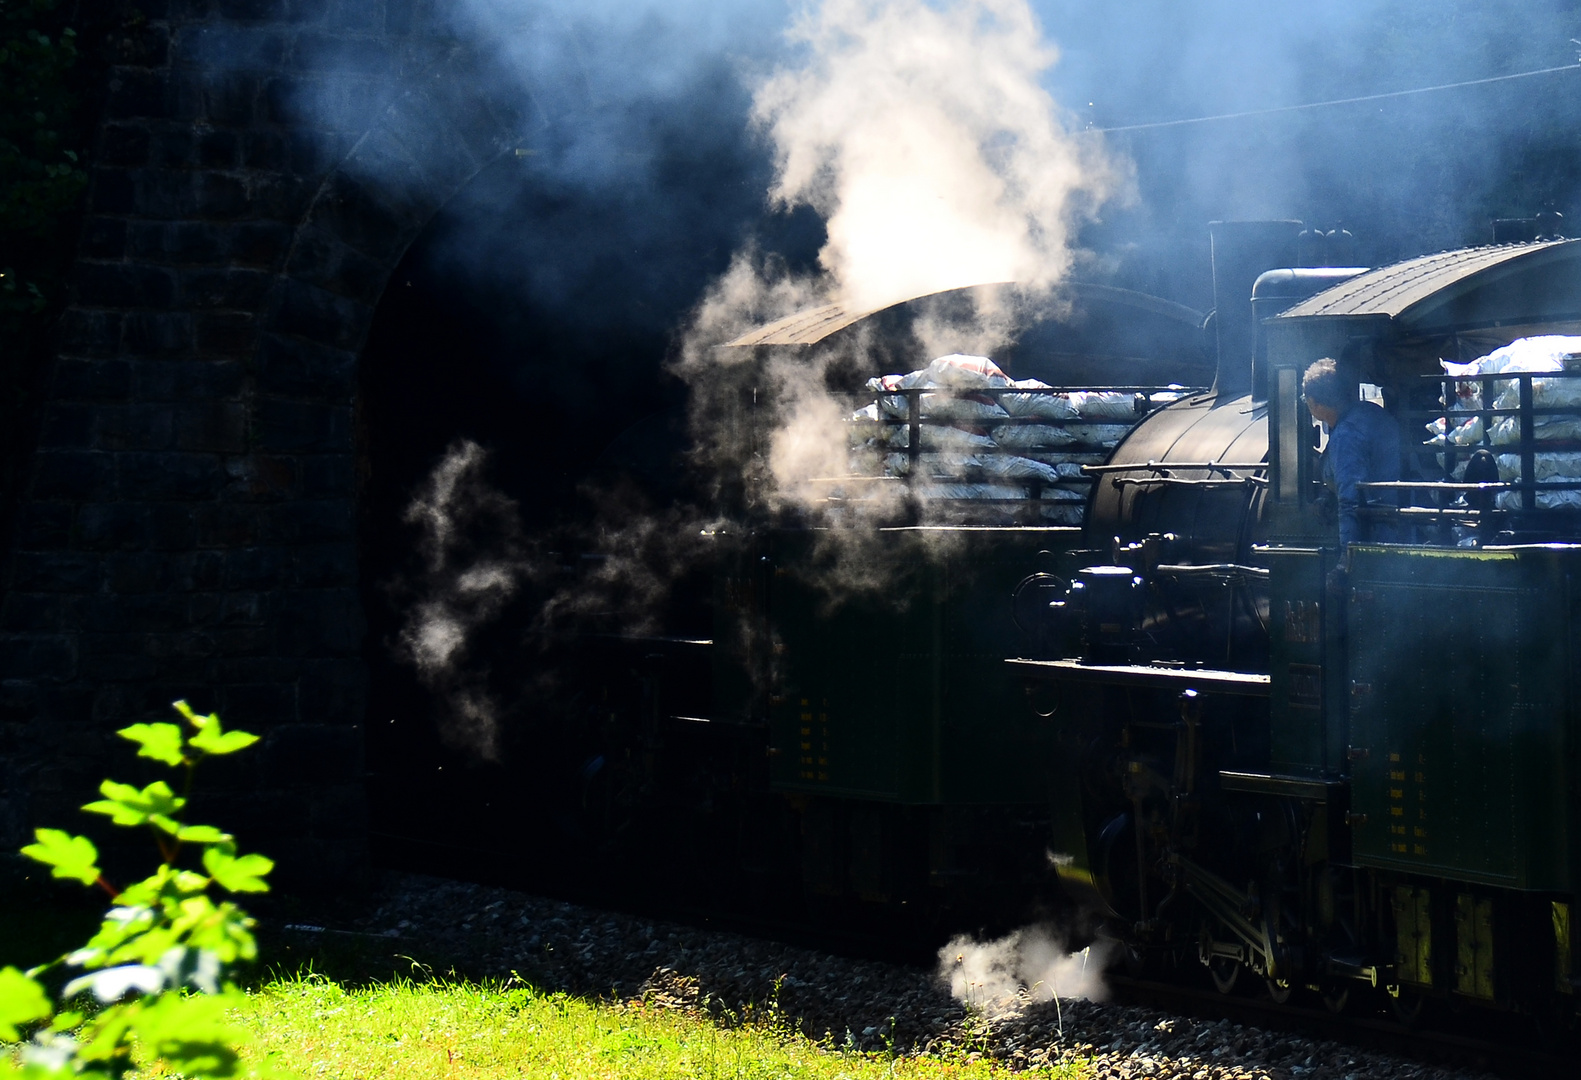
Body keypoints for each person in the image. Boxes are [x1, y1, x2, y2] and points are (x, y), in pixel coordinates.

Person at [1302, 358, 1405, 551]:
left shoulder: (1345, 435)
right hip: (1401, 519)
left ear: (1313, 403)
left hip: (1379, 534)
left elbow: (1350, 501)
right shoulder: (1371, 412)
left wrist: (1347, 558)